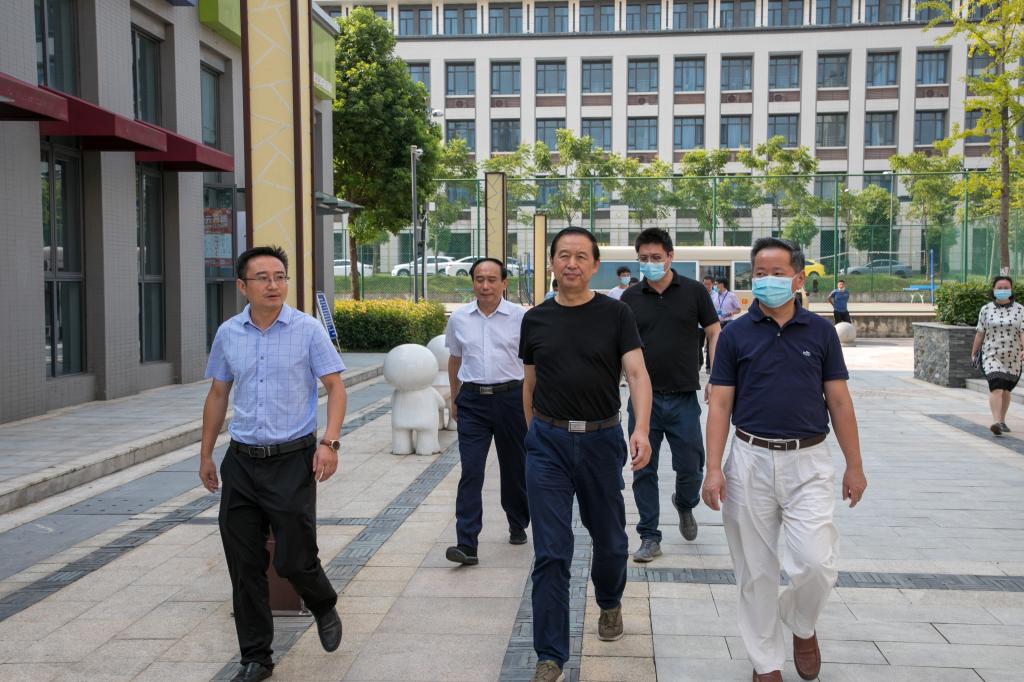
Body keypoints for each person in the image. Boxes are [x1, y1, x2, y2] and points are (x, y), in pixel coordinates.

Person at [703, 237, 867, 682]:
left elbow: (839, 401)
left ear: (797, 279)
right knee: (755, 571)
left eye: (777, 273)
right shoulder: (735, 334)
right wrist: (713, 468)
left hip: (809, 461)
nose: (767, 280)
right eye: (760, 273)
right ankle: (766, 663)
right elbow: (720, 404)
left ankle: (801, 621)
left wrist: (854, 465)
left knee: (816, 563)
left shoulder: (820, 332)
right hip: (749, 460)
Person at [200, 246, 347, 682]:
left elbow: (336, 387)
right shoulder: (229, 333)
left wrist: (330, 443)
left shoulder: (307, 330)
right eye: (262, 277)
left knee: (294, 560)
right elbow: (218, 394)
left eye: (280, 276)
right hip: (242, 462)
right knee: (243, 564)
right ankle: (256, 658)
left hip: (292, 461)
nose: (273, 285)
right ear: (242, 286)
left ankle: (322, 602)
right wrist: (206, 453)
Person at [519, 227, 653, 682]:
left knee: (611, 541)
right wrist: (533, 434)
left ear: (595, 265)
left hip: (601, 440)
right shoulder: (536, 319)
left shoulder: (616, 314)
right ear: (552, 263)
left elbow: (637, 374)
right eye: (563, 255)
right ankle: (550, 654)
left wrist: (641, 429)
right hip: (548, 444)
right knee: (552, 551)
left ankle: (610, 602)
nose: (571, 263)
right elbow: (530, 384)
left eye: (580, 256)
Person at [621, 228, 720, 562]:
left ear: (670, 257)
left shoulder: (694, 292)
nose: (650, 263)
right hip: (642, 402)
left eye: (656, 257)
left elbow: (714, 331)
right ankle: (649, 535)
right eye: (643, 258)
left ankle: (684, 502)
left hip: (683, 397)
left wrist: (716, 375)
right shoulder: (630, 298)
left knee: (691, 465)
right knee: (643, 468)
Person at [444, 258, 530, 565]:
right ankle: (466, 543)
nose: (485, 286)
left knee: (514, 467)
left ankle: (517, 521)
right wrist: (455, 396)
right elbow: (455, 359)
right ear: (472, 283)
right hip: (473, 401)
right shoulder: (459, 318)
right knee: (471, 470)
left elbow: (532, 363)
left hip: (511, 399)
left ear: (504, 283)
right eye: (479, 279)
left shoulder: (521, 317)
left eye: (492, 280)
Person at [972, 276, 1024, 437]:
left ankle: (1002, 420)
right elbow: (980, 332)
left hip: (1013, 356)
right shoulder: (986, 309)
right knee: (997, 386)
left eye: (1006, 287)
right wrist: (974, 352)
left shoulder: (1020, 310)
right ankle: (996, 421)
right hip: (991, 354)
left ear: (1011, 289)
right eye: (999, 288)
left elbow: (1022, 332)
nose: (1002, 290)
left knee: (1006, 389)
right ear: (993, 290)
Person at [701, 276, 715, 372]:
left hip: (711, 324)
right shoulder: (699, 294)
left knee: (711, 345)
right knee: (698, 346)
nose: (706, 286)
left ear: (712, 284)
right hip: (699, 325)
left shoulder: (716, 296)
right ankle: (699, 362)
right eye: (705, 284)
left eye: (708, 284)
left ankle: (709, 366)